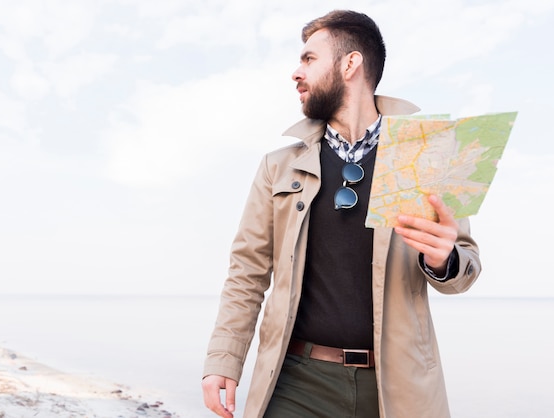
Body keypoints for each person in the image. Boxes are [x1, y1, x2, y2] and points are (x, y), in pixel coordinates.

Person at [202, 9, 481, 418]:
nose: (296, 73)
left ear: (350, 64)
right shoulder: (277, 166)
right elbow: (247, 272)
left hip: (395, 388)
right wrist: (224, 360)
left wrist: (445, 260)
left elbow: (465, 270)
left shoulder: (428, 155)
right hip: (295, 383)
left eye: (309, 59)